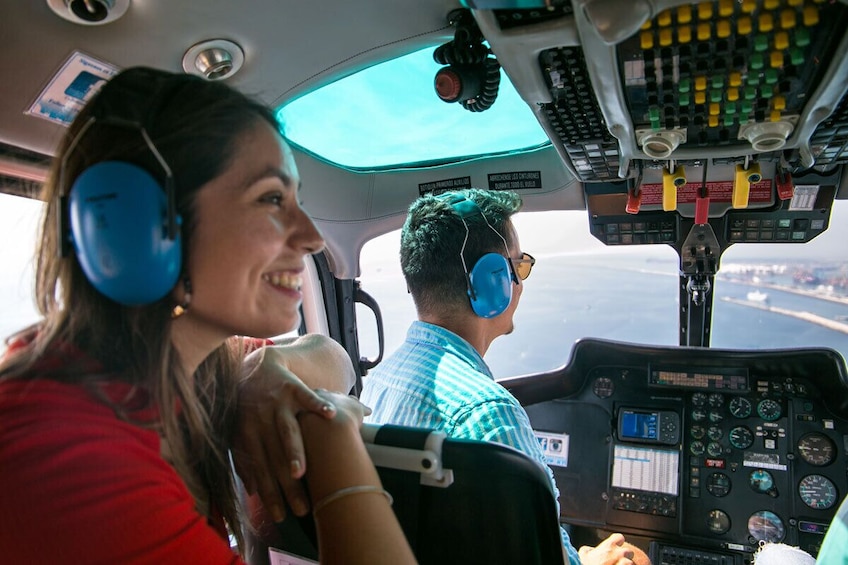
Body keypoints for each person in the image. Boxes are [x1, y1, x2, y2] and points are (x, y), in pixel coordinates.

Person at [0, 66, 415, 565]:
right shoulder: (66, 462)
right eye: (271, 199)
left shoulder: (168, 366)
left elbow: (332, 358)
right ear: (139, 226)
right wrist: (335, 441)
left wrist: (262, 373)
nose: (311, 237)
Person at [360, 188, 649, 565]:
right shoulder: (486, 412)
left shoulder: (379, 381)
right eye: (518, 267)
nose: (521, 283)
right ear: (491, 282)